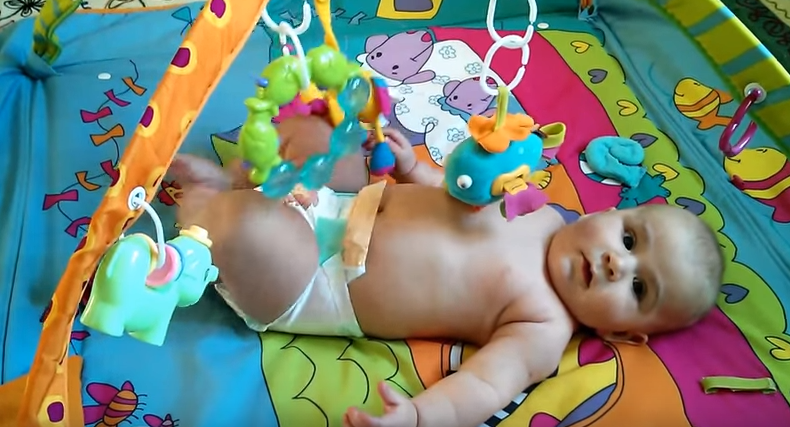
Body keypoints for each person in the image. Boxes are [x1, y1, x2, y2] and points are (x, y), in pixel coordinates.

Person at [170, 115, 724, 427]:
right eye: (628, 239)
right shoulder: (540, 210)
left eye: (638, 287)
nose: (615, 262)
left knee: (250, 229)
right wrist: (414, 168)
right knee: (320, 136)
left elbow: (482, 386)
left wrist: (416, 418)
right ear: (608, 214)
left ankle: (206, 203)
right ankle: (237, 179)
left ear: (623, 332)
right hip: (343, 202)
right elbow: (461, 200)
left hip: (313, 279)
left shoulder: (543, 326)